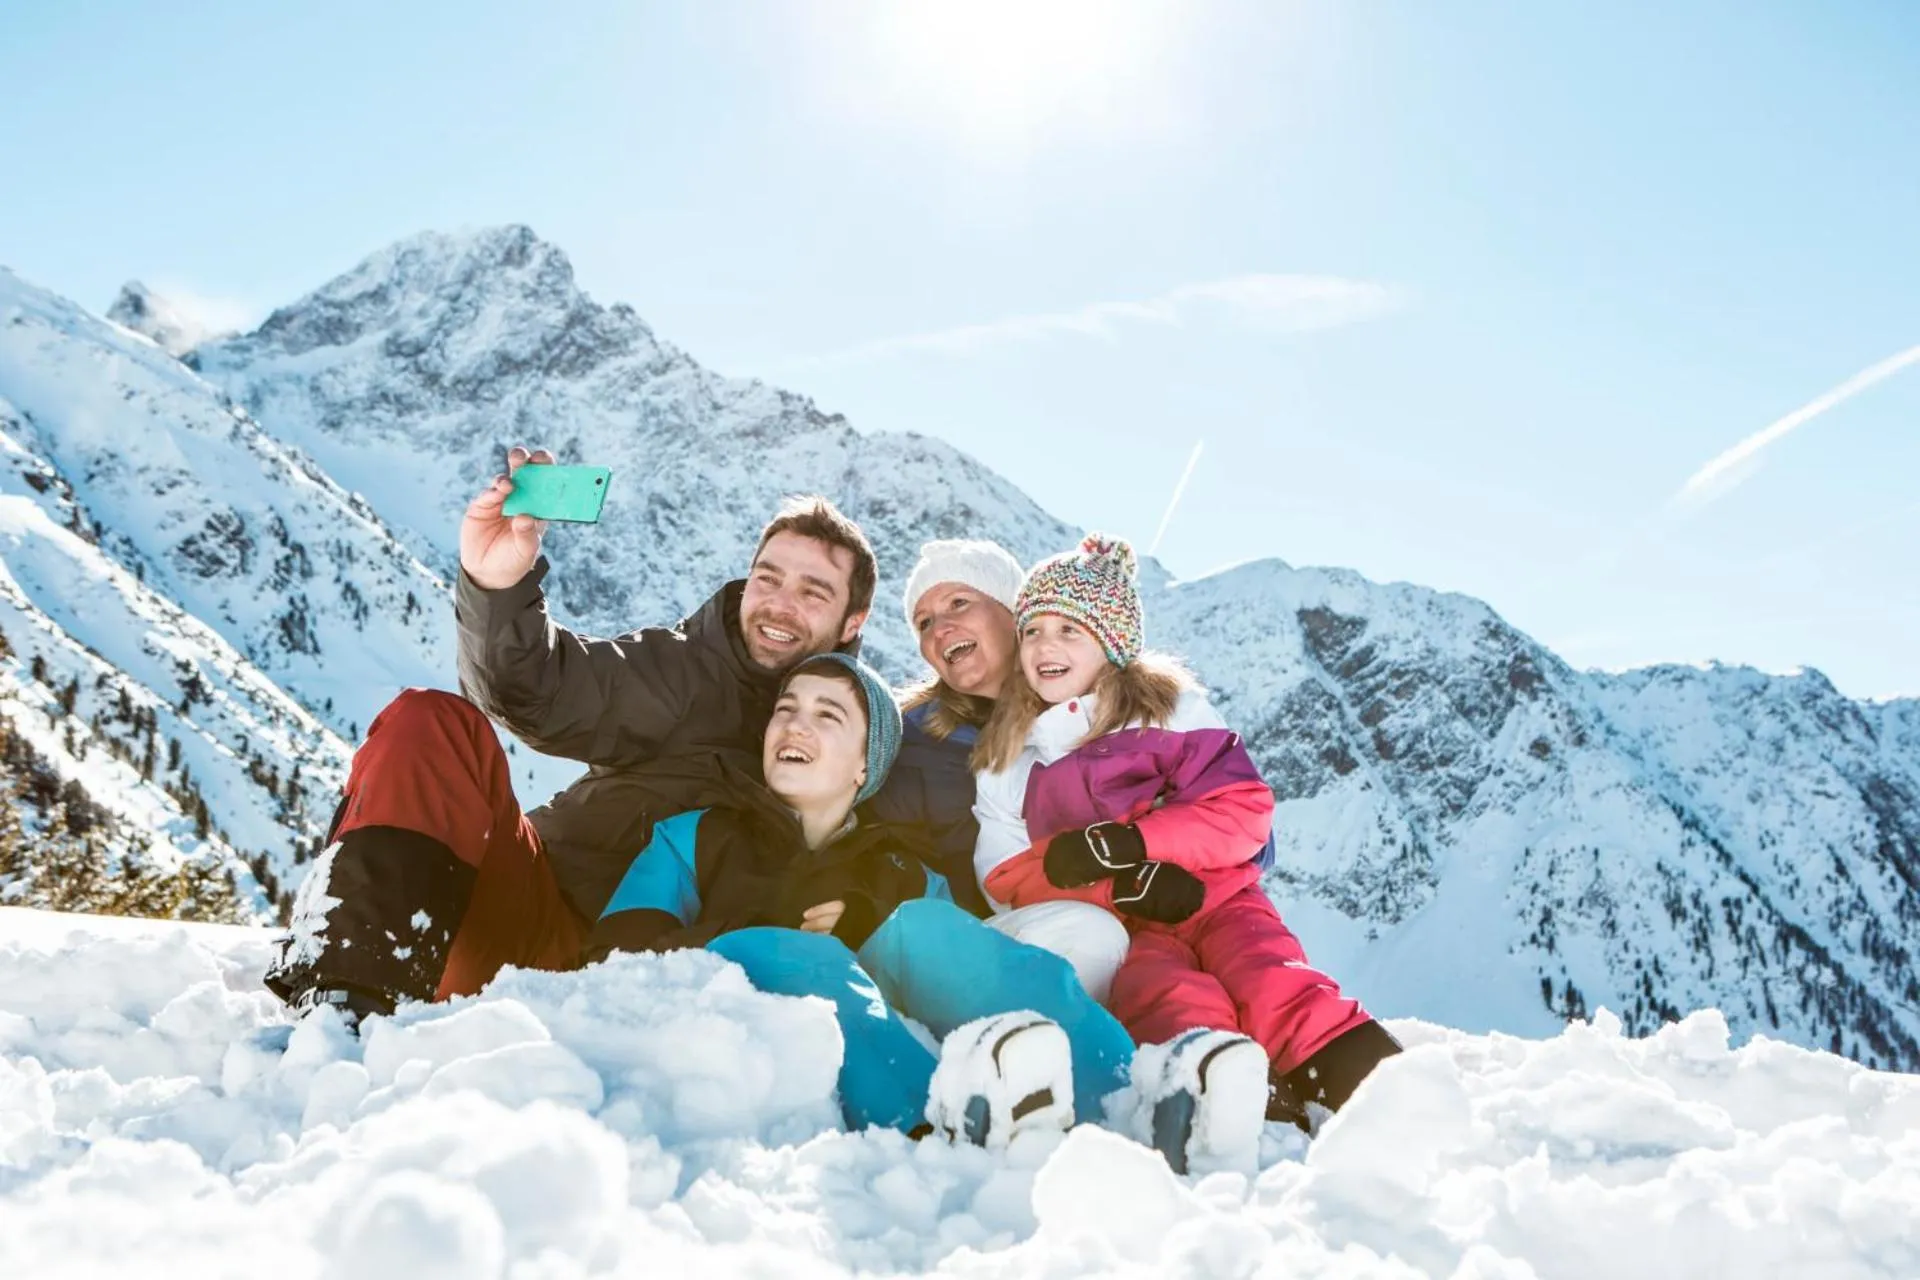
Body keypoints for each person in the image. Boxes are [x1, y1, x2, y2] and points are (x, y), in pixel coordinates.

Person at [264, 448, 885, 1026]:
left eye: (812, 592)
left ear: (852, 621)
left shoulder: (863, 741)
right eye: (768, 579)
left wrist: (865, 907)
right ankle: (342, 1006)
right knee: (428, 721)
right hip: (529, 919)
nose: (779, 604)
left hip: (653, 983)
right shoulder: (681, 674)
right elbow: (535, 688)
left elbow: (908, 848)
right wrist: (497, 588)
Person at [587, 650, 1138, 1149]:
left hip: (890, 1002)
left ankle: (1120, 1092)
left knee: (925, 926)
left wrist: (870, 932)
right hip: (741, 1038)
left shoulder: (901, 872)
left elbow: (970, 971)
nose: (795, 725)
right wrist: (758, 933)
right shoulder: (696, 836)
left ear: (864, 765)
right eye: (785, 710)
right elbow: (617, 955)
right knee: (780, 948)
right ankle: (931, 1125)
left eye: (827, 716)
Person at [971, 534, 1401, 1136]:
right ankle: (1230, 1099)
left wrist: (1134, 844)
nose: (1046, 646)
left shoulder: (1171, 715)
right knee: (1164, 996)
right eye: (1032, 631)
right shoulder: (1011, 759)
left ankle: (1372, 1084)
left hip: (1219, 898)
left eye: (1069, 630)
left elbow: (1240, 808)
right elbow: (1004, 875)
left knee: (1267, 974)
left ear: (1112, 644)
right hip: (1129, 926)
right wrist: (1117, 890)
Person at [878, 540, 1131, 1003]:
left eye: (959, 602)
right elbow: (872, 842)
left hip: (1139, 929)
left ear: (1015, 611)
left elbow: (1240, 830)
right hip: (986, 943)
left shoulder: (1110, 707)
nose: (941, 628)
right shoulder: (913, 740)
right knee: (1089, 932)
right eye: (924, 622)